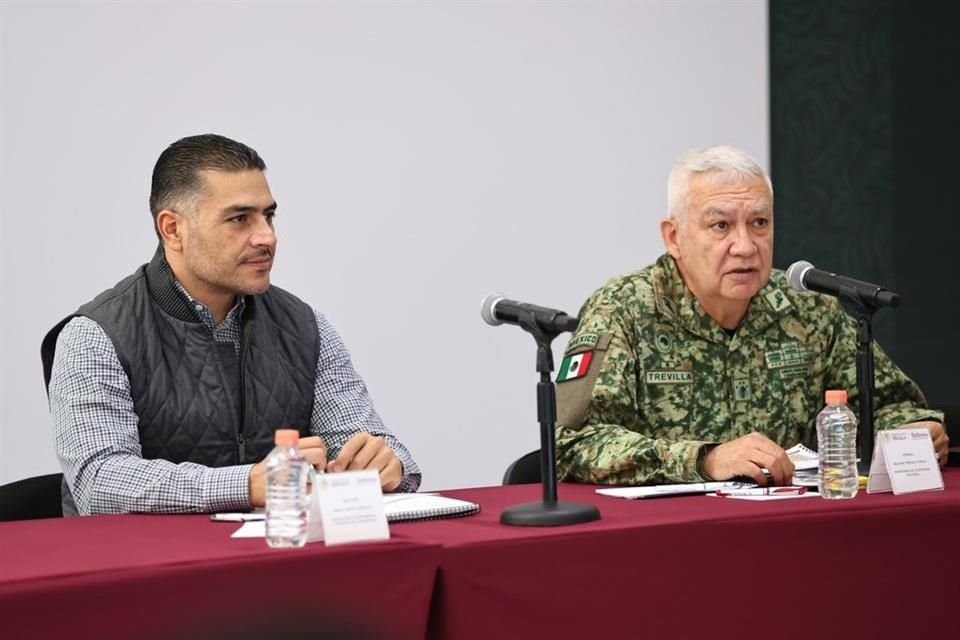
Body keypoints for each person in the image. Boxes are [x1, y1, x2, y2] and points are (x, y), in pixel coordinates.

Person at [42, 134, 420, 515]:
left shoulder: (305, 327)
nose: (267, 237)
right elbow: (101, 484)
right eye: (240, 219)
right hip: (146, 568)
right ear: (173, 229)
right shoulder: (94, 335)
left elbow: (370, 444)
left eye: (268, 215)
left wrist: (387, 465)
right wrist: (249, 483)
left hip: (276, 561)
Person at [555, 145, 947, 486]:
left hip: (797, 528)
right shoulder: (622, 309)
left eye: (759, 223)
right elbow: (570, 443)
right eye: (720, 225)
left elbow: (889, 405)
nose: (744, 246)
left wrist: (912, 431)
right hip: (673, 539)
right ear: (674, 237)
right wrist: (705, 459)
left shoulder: (808, 308)